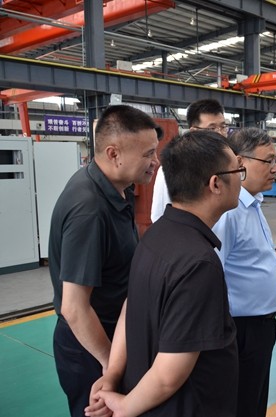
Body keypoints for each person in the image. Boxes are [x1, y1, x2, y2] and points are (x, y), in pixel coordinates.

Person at [86, 130, 242, 417]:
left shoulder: (155, 236)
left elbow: (130, 307)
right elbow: (169, 374)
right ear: (215, 184)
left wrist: (113, 374)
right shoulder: (199, 263)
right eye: (238, 171)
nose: (242, 179)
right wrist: (123, 407)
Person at [48, 104, 161, 417]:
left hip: (114, 334)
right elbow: (74, 307)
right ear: (114, 154)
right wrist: (112, 367)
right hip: (92, 346)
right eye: (148, 154)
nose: (155, 161)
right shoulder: (89, 209)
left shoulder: (116, 189)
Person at [212, 128, 276, 417]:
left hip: (260, 327)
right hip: (240, 331)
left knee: (255, 400)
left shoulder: (252, 203)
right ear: (240, 162)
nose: (275, 168)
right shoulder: (229, 212)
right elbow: (213, 275)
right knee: (243, 404)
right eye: (268, 160)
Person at [151, 98, 228, 222]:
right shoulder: (174, 167)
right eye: (212, 129)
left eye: (223, 127)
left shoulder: (228, 164)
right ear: (194, 131)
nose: (220, 134)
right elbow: (159, 216)